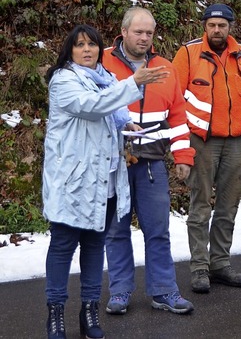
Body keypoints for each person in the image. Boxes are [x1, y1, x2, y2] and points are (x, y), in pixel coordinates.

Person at [43, 24, 168, 339]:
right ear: (69, 51)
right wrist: (133, 83)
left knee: (95, 245)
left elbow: (114, 109)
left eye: (92, 44)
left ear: (101, 48)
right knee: (62, 247)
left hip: (106, 179)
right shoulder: (63, 81)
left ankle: (89, 313)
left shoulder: (105, 79)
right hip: (72, 183)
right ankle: (55, 315)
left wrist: (127, 121)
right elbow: (92, 107)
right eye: (80, 45)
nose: (87, 50)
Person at [102, 7, 195, 316]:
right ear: (124, 31)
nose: (143, 38)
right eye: (138, 32)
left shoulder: (166, 68)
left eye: (148, 33)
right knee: (116, 230)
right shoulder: (100, 63)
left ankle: (164, 290)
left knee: (158, 229)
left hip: (153, 162)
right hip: (114, 162)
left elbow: (179, 117)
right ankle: (119, 292)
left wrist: (183, 155)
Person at [172, 3, 241, 293]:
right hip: (202, 140)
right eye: (212, 25)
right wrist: (182, 144)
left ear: (230, 27)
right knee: (200, 206)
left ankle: (220, 263)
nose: (217, 30)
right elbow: (174, 100)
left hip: (238, 140)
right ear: (205, 26)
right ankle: (199, 268)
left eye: (222, 25)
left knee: (228, 206)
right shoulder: (188, 53)